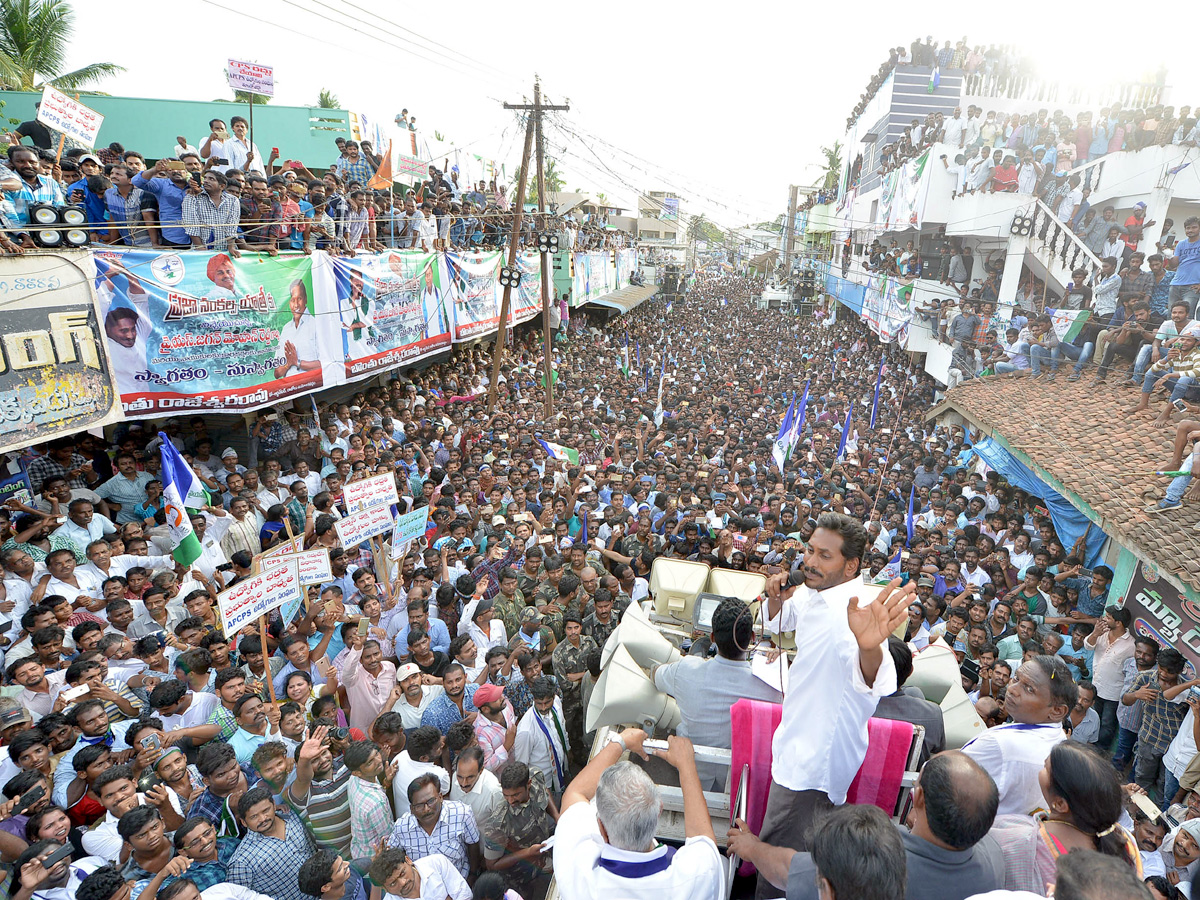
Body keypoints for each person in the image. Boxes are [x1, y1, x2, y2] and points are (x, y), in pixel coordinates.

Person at [754, 513, 910, 899]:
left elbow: (876, 680)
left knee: (783, 873)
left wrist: (871, 646)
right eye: (810, 551)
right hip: (795, 745)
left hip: (809, 768)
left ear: (851, 565)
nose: (810, 562)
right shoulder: (815, 590)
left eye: (824, 555)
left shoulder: (854, 616)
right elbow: (782, 619)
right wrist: (776, 599)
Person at [729, 751, 1003, 900]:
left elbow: (789, 870)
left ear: (917, 797)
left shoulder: (877, 851)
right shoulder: (995, 857)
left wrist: (751, 847)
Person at [552, 729, 724, 900]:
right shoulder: (695, 877)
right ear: (659, 812)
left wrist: (620, 742)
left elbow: (574, 793)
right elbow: (703, 839)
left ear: (602, 829)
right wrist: (686, 764)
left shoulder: (579, 877)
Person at [652, 596, 783, 790]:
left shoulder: (685, 670)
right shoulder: (772, 685)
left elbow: (655, 675)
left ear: (712, 637)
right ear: (752, 639)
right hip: (739, 783)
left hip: (690, 773)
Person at [987, 741, 1142, 893]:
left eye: (1046, 769)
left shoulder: (1018, 842)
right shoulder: (1124, 840)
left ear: (1060, 804)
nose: (1042, 769)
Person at [961, 654, 1075, 816]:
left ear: (1057, 711)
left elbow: (948, 785)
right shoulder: (1060, 740)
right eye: (1016, 679)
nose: (1012, 689)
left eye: (1029, 689)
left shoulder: (1000, 744)